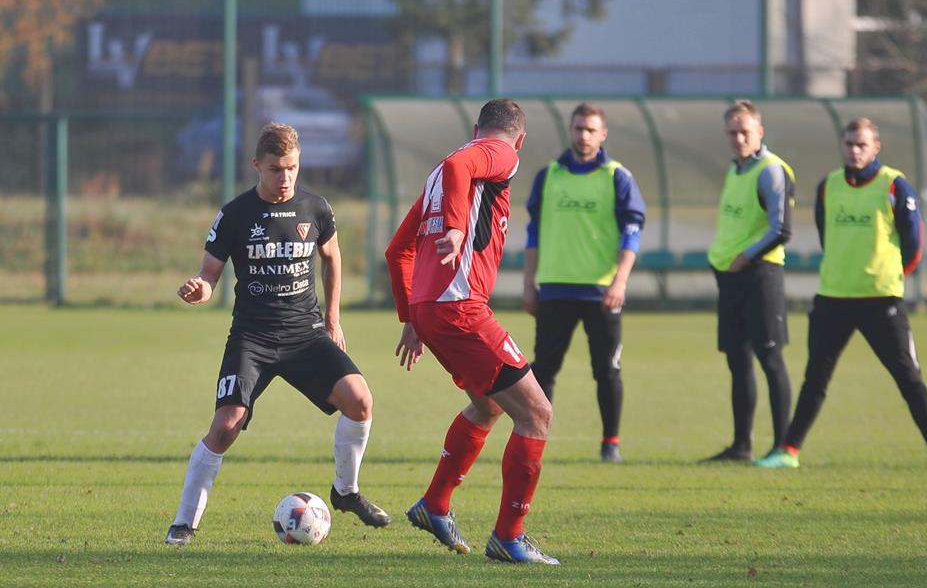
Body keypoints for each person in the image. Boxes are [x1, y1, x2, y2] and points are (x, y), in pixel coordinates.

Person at [164, 122, 390, 546]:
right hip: (253, 338)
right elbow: (209, 274)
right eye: (275, 169)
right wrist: (199, 289)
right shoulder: (235, 215)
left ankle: (346, 492)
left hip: (306, 334)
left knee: (360, 400)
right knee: (226, 425)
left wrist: (333, 319)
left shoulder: (316, 208)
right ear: (257, 165)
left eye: (292, 168)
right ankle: (183, 523)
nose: (285, 178)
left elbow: (332, 256)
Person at [385, 99, 559, 565]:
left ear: (476, 124)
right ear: (519, 139)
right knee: (537, 414)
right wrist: (458, 228)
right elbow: (460, 164)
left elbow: (397, 251)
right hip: (460, 307)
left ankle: (435, 504)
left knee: (488, 405)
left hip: (432, 309)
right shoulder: (499, 153)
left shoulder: (437, 178)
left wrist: (411, 318)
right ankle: (509, 537)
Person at [755, 118, 927, 473]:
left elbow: (914, 242)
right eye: (849, 144)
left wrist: (891, 274)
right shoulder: (829, 186)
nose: (854, 150)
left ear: (876, 147)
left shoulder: (894, 186)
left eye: (862, 144)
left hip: (881, 301)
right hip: (833, 298)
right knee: (815, 379)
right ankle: (789, 450)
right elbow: (826, 235)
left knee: (908, 379)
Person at [522, 102, 646, 463]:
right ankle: (535, 441)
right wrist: (529, 283)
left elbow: (632, 234)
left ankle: (610, 443)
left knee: (607, 371)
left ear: (603, 134)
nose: (584, 135)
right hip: (555, 289)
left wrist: (620, 282)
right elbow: (533, 234)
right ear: (571, 130)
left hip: (601, 292)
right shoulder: (548, 176)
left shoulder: (617, 177)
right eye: (578, 128)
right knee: (544, 370)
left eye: (591, 129)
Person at [704, 100, 795, 462]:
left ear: (760, 132)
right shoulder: (736, 170)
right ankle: (741, 445)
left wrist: (746, 257)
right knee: (737, 361)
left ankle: (784, 447)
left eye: (745, 132)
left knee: (770, 358)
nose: (738, 138)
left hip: (760, 276)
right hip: (731, 279)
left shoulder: (771, 171)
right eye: (732, 132)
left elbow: (781, 229)